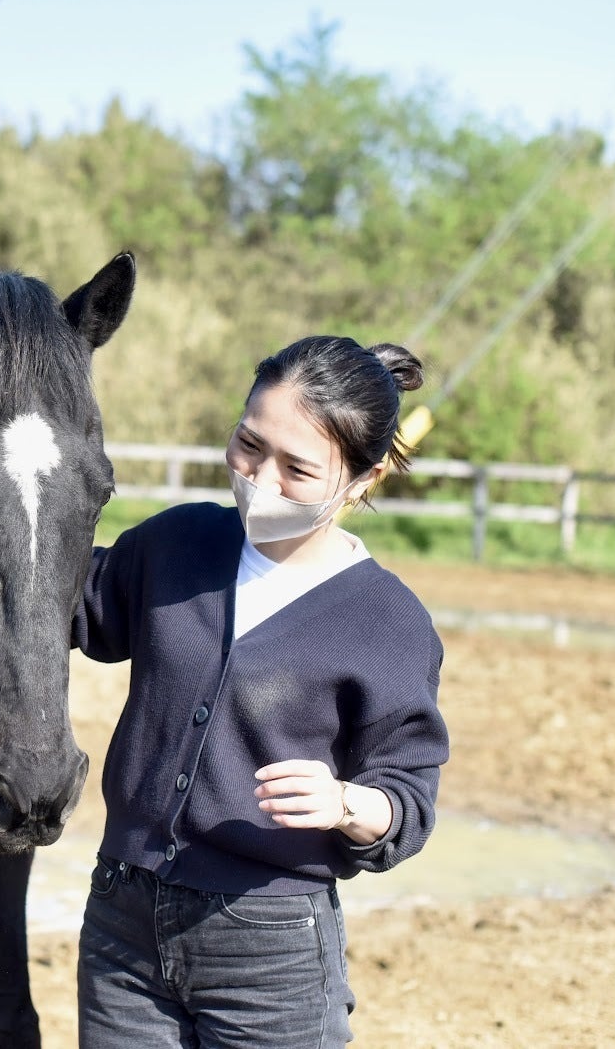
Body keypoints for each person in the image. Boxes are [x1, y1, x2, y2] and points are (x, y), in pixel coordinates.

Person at [74, 335, 450, 1048]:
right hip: (122, 925)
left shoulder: (390, 623)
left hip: (268, 950)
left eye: (298, 468)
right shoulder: (176, 544)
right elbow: (58, 602)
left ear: (363, 480)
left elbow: (407, 800)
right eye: (250, 444)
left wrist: (344, 803)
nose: (261, 479)